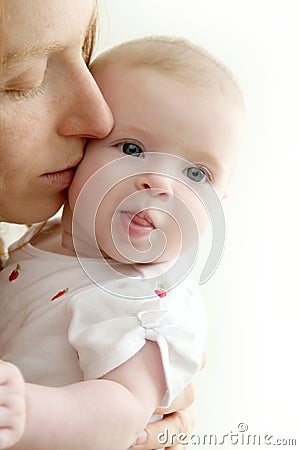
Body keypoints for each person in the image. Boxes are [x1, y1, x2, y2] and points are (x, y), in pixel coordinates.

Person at [0, 36, 244, 449]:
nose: (162, 184)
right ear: (78, 149)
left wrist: (26, 410)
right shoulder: (49, 238)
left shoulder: (146, 303)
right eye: (132, 148)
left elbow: (123, 409)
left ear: (220, 202)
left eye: (197, 174)